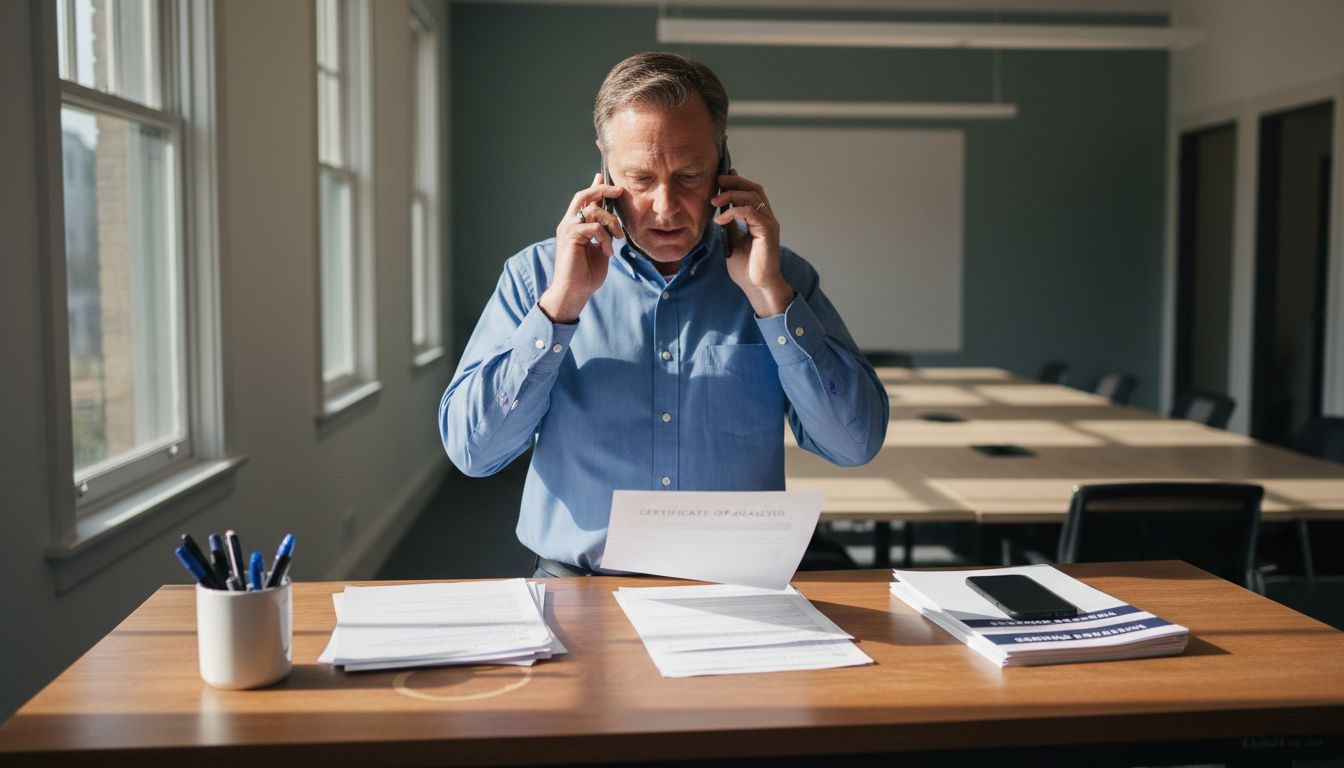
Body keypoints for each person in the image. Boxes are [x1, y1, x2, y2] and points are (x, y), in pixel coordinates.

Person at [439, 52, 888, 578]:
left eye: (690, 174)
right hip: (579, 589)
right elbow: (474, 451)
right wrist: (559, 309)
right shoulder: (535, 277)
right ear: (605, 167)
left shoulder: (782, 278)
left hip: (737, 588)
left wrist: (773, 300)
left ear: (723, 163)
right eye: (641, 178)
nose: (666, 206)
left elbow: (853, 445)